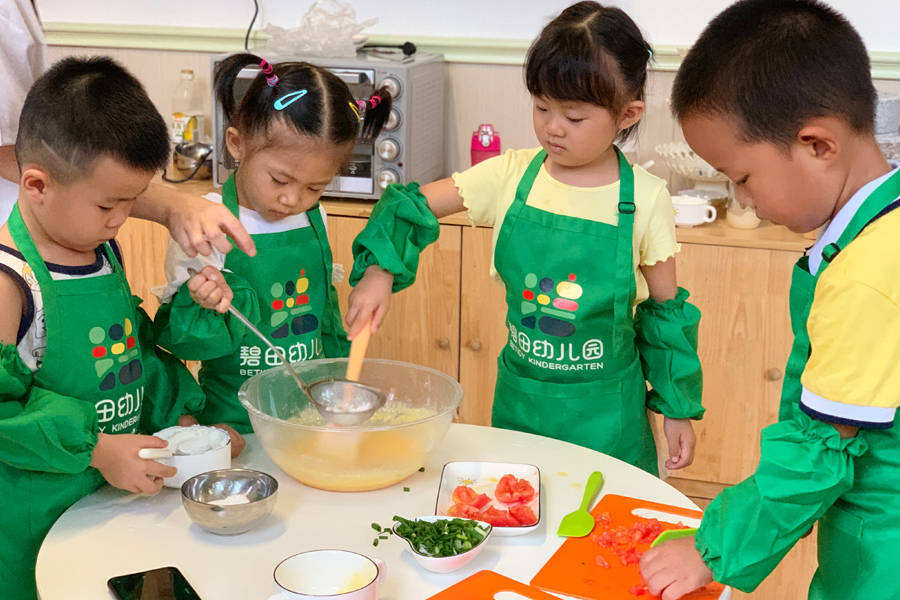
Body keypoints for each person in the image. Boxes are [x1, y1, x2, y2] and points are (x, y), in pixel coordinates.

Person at [346, 1, 704, 475]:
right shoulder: (510, 176)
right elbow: (409, 205)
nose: (553, 127)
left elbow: (665, 314)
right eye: (541, 107)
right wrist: (378, 272)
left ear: (626, 114)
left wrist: (676, 409)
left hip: (608, 418)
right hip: (522, 405)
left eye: (574, 117)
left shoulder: (645, 198)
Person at [638, 2, 900, 599]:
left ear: (817, 145)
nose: (744, 200)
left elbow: (818, 452)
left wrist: (711, 549)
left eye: (743, 178)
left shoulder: (865, 276)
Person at [0, 56, 235, 600]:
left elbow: (132, 359)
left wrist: (184, 423)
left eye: (132, 201)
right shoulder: (11, 282)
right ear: (36, 185)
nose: (122, 218)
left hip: (110, 507)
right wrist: (97, 449)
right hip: (32, 525)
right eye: (109, 204)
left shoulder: (101, 250)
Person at [152, 53, 392, 433]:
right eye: (280, 180)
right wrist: (201, 301)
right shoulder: (207, 223)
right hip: (235, 420)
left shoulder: (316, 217)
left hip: (308, 414)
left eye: (316, 186)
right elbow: (186, 344)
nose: (293, 200)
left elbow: (323, 317)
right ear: (236, 144)